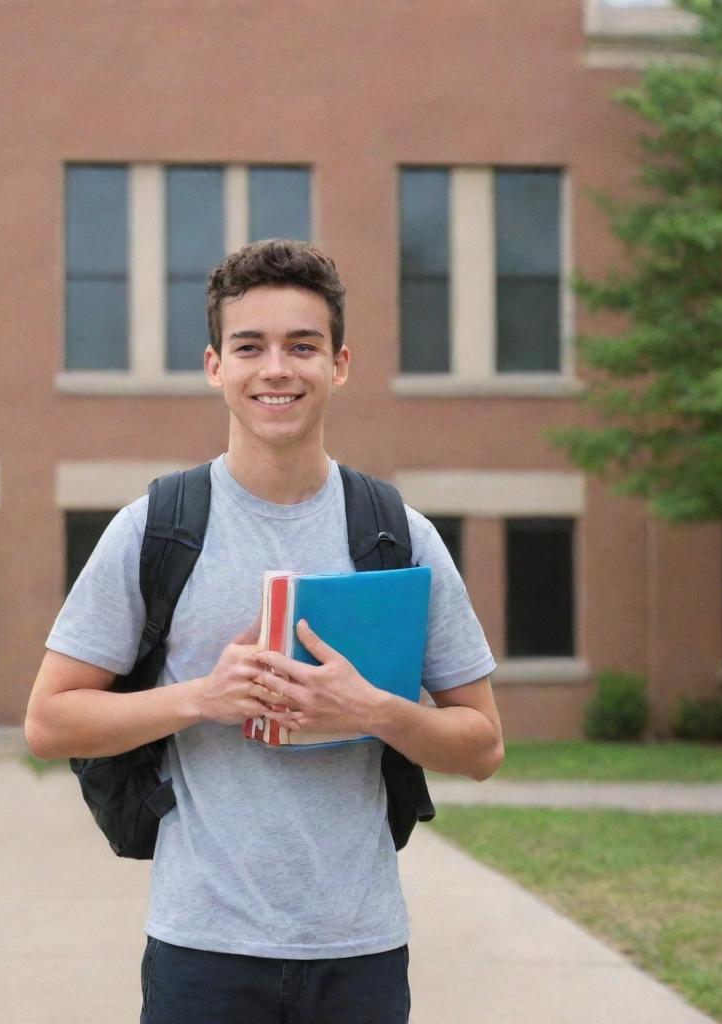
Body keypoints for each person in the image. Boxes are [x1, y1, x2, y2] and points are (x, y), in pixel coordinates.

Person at [25, 239, 503, 1024]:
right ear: (216, 366)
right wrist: (203, 698)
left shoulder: (397, 534)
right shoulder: (157, 528)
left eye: (302, 346)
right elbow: (48, 723)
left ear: (340, 364)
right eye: (250, 347)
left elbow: (482, 746)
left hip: (360, 952)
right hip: (199, 951)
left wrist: (371, 710)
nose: (275, 369)